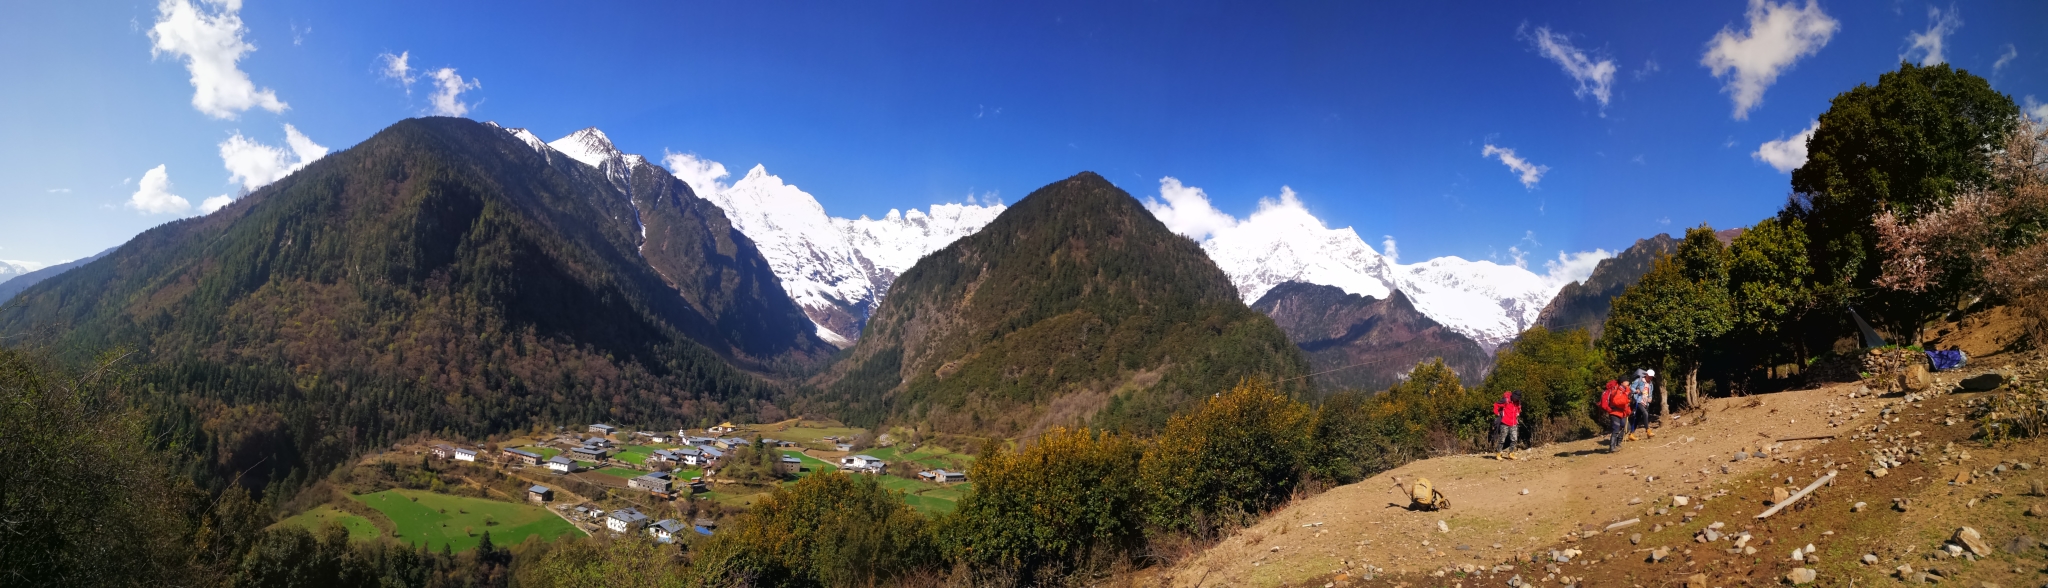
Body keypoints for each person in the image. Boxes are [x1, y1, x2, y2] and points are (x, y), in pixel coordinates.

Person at [1599, 380, 1632, 453]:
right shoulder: (1617, 391)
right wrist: (1627, 399)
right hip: (1614, 413)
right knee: (1616, 429)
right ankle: (1612, 447)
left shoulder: (1625, 391)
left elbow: (1626, 404)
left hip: (1622, 413)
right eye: (1626, 381)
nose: (1628, 383)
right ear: (1622, 382)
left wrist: (1628, 410)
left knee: (1627, 427)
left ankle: (1618, 443)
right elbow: (1617, 402)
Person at [1492, 391, 1522, 460]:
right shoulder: (1506, 400)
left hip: (1514, 422)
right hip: (1504, 422)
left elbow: (1518, 408)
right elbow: (1496, 404)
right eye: (1515, 398)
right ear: (1513, 396)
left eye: (1517, 398)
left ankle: (1511, 453)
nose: (1516, 399)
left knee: (1514, 439)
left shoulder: (1518, 402)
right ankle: (1498, 453)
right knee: (1502, 439)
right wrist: (1497, 413)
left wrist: (1518, 413)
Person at [1627, 369, 1656, 440]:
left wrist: (1650, 398)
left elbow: (1650, 393)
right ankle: (1648, 431)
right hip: (1638, 401)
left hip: (1645, 402)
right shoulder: (1639, 381)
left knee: (1637, 418)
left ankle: (1631, 434)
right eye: (1649, 376)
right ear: (1646, 375)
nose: (1650, 378)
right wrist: (1636, 391)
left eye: (1652, 377)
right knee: (1645, 413)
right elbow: (1631, 388)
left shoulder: (1651, 384)